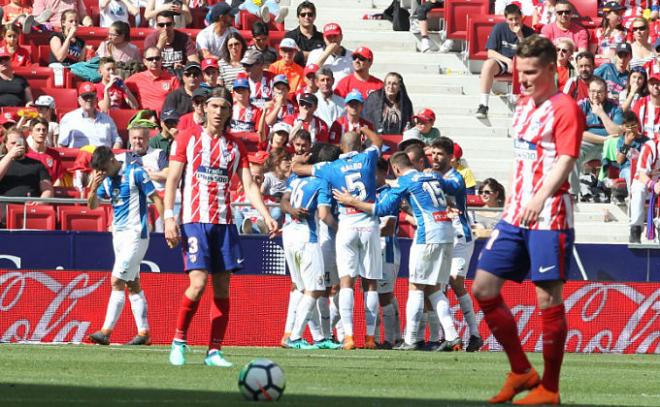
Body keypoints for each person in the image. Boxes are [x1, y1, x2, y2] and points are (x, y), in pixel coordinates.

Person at [472, 35, 584, 405]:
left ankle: (549, 389)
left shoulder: (565, 108)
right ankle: (521, 370)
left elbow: (566, 159)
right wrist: (515, 200)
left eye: (532, 72)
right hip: (515, 214)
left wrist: (539, 196)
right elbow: (521, 160)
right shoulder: (522, 104)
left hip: (549, 215)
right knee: (483, 288)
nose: (524, 80)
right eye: (520, 72)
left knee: (546, 298)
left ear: (553, 69)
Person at [165, 87, 278, 367]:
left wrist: (265, 213)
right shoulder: (187, 138)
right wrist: (169, 216)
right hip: (194, 220)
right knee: (198, 283)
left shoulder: (235, 145)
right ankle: (179, 341)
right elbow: (173, 179)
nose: (218, 112)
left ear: (229, 112)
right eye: (214, 106)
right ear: (204, 108)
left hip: (224, 223)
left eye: (223, 107)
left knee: (223, 288)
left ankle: (214, 351)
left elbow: (249, 184)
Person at [333, 151, 460, 352]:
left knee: (416, 287)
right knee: (435, 288)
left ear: (395, 169)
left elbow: (381, 209)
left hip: (427, 235)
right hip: (446, 231)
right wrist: (454, 204)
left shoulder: (404, 181)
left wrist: (353, 201)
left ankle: (410, 340)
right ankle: (452, 336)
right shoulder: (433, 176)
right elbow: (456, 186)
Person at [292, 128, 383, 351]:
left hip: (347, 225)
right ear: (360, 144)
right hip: (369, 223)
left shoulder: (329, 167)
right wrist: (364, 129)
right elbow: (378, 141)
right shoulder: (368, 157)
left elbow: (297, 169)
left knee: (346, 283)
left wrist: (299, 159)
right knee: (370, 284)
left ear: (341, 147)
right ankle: (370, 338)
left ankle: (349, 337)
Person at [85, 145, 164, 345]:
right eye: (98, 170)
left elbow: (156, 198)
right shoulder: (107, 180)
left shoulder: (135, 172)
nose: (101, 173)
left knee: (116, 280)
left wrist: (168, 223)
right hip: (118, 235)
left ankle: (105, 331)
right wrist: (93, 188)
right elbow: (92, 206)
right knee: (132, 284)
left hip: (136, 233)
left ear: (112, 160)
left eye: (103, 168)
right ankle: (144, 333)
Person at [429, 137, 483, 352]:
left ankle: (474, 334)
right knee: (438, 285)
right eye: (432, 153)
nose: (434, 157)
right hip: (442, 234)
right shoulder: (433, 176)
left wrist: (432, 178)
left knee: (455, 282)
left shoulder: (456, 177)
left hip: (460, 235)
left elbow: (451, 186)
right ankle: (448, 335)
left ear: (451, 157)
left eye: (439, 154)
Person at [477, 3, 535, 119]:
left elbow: (529, 54)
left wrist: (520, 35)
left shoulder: (530, 32)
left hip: (523, 64)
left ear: (521, 16)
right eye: (510, 19)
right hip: (503, 62)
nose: (514, 22)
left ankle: (525, 107)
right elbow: (490, 52)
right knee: (488, 64)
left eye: (516, 18)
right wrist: (508, 62)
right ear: (506, 19)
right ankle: (483, 105)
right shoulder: (499, 28)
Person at [570, 76, 623, 197]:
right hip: (589, 144)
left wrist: (601, 113)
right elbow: (579, 132)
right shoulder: (582, 106)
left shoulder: (614, 107)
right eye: (593, 91)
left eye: (600, 92)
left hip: (610, 145)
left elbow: (617, 132)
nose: (596, 95)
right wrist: (603, 139)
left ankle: (619, 192)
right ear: (588, 92)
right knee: (572, 152)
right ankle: (573, 193)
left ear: (606, 93)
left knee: (624, 151)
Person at [373, 157, 402, 349]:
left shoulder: (389, 194)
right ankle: (376, 339)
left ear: (384, 173)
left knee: (383, 295)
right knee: (373, 295)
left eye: (373, 172)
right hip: (370, 249)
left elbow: (389, 226)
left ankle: (390, 340)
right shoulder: (366, 193)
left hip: (387, 249)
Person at [58, 82, 122, 149]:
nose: (89, 100)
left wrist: (113, 152)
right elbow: (61, 145)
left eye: (91, 96)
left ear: (96, 99)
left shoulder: (107, 119)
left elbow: (117, 140)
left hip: (103, 157)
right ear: (79, 100)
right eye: (85, 97)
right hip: (79, 157)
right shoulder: (69, 118)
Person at [0, 128, 54, 198]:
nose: (17, 146)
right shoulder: (1, 161)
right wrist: (10, 155)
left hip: (30, 206)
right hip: (4, 205)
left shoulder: (37, 165)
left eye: (20, 143)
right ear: (6, 145)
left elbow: (47, 190)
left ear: (25, 144)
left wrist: (40, 202)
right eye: (13, 143)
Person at [126, 47, 180, 113]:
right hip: (146, 118)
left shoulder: (172, 79)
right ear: (145, 62)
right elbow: (121, 86)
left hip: (167, 118)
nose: (154, 61)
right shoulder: (137, 78)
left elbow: (179, 101)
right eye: (150, 59)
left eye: (157, 58)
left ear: (161, 60)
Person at [613, 110, 648, 191]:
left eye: (633, 125)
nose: (631, 129)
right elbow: (619, 160)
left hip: (642, 169)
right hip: (627, 169)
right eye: (628, 126)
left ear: (638, 124)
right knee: (630, 175)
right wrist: (627, 144)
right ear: (623, 127)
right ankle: (631, 197)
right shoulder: (621, 141)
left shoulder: (646, 140)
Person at [284, 1, 324, 67]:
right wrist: (318, 55)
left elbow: (328, 58)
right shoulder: (290, 36)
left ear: (314, 16)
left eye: (310, 14)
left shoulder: (322, 37)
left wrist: (301, 54)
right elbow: (290, 57)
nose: (306, 17)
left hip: (316, 74)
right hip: (295, 73)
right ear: (298, 17)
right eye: (303, 14)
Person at [26, 118, 62, 185]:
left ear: (47, 133)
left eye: (44, 130)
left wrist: (51, 191)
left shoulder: (55, 154)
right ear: (31, 133)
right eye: (38, 130)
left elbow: (58, 179)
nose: (41, 132)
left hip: (50, 191)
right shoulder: (25, 154)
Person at [632, 72, 660, 140]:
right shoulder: (640, 104)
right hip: (643, 141)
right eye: (652, 83)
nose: (655, 86)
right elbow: (633, 126)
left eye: (658, 83)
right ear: (648, 85)